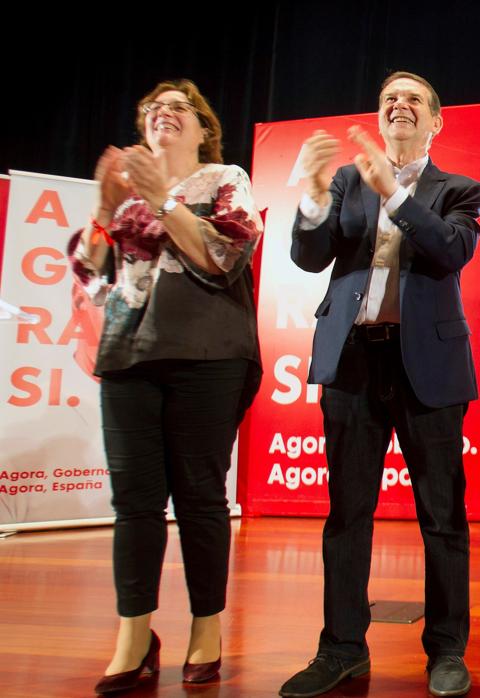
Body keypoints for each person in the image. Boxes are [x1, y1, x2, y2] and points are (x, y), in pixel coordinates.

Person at [279, 71, 480, 698]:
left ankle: (446, 651)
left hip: (429, 366)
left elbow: (450, 250)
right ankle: (341, 648)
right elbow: (310, 256)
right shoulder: (346, 180)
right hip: (353, 362)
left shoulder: (461, 189)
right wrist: (315, 195)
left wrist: (393, 193)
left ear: (435, 121)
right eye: (389, 99)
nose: (399, 106)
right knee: (347, 514)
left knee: (443, 519)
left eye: (413, 100)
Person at [68, 78, 263, 694]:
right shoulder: (125, 195)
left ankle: (206, 628)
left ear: (203, 128)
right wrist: (104, 212)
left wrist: (164, 203)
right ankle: (134, 634)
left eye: (179, 109)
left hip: (207, 355)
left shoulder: (227, 178)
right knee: (135, 502)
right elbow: (88, 276)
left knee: (201, 499)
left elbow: (226, 257)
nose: (164, 116)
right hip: (127, 355)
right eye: (154, 110)